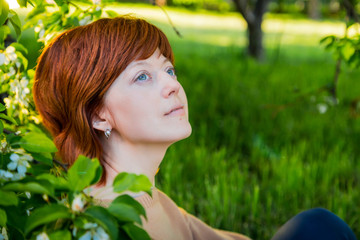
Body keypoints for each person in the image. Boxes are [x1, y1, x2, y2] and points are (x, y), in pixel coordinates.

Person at [33, 16, 357, 240]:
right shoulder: (102, 225)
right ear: (98, 115)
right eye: (142, 76)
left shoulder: (146, 196)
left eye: (169, 70)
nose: (172, 86)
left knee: (317, 225)